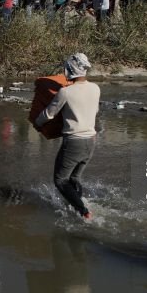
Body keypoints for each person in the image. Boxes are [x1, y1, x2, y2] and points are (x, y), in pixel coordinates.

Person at [35, 53, 100, 219]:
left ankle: (84, 211)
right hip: (91, 140)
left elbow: (49, 114)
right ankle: (80, 203)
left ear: (69, 70)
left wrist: (37, 122)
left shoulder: (65, 92)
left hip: (74, 143)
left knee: (60, 180)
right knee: (74, 177)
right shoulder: (95, 88)